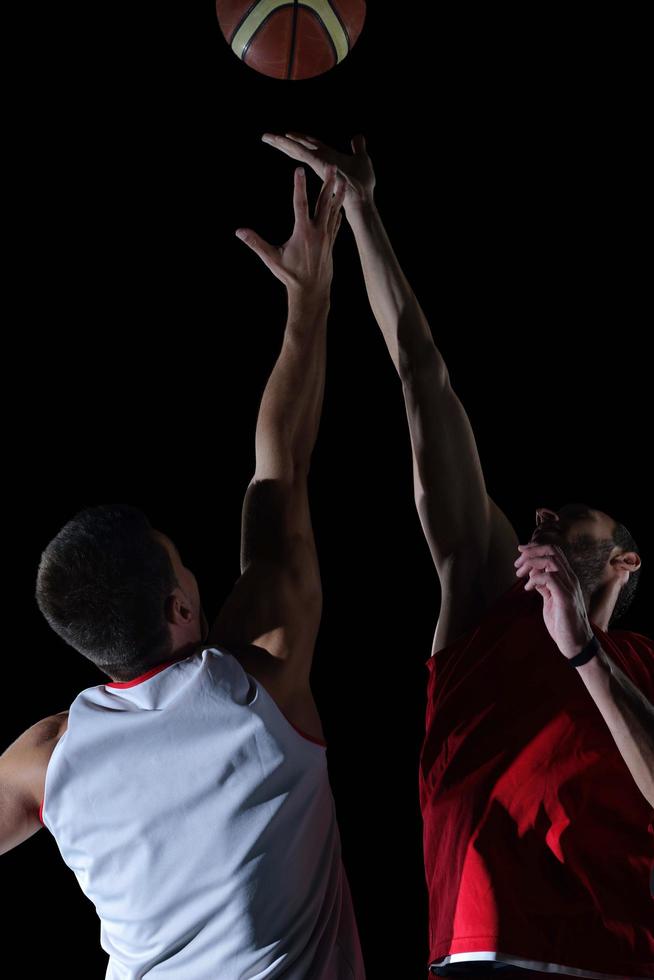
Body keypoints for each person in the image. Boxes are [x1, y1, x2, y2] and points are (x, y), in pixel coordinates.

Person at [260, 131, 654, 979]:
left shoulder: (645, 666)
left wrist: (583, 649)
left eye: (576, 518)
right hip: (483, 954)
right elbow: (421, 374)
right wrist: (364, 211)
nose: (544, 511)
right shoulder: (483, 591)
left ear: (623, 563)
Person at [0, 166, 367, 980]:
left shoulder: (46, 762)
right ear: (177, 608)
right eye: (184, 564)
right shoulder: (258, 679)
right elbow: (284, 468)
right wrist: (308, 300)